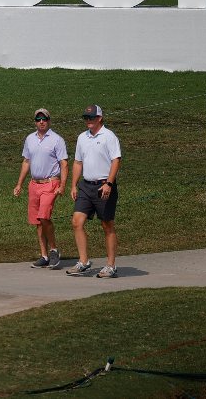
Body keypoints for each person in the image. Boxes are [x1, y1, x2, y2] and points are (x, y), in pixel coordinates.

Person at [67, 104, 122, 279]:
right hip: (86, 186)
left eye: (91, 118)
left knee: (107, 225)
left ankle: (111, 265)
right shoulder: (82, 138)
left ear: (100, 118)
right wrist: (74, 185)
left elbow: (116, 160)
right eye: (86, 118)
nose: (88, 121)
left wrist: (109, 184)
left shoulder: (109, 136)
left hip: (103, 186)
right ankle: (83, 261)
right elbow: (77, 162)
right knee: (77, 221)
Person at [13, 108, 69, 269]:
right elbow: (26, 161)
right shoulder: (30, 139)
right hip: (34, 184)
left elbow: (64, 163)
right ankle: (44, 255)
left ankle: (54, 250)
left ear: (49, 121)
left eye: (44, 119)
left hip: (51, 183)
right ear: (35, 122)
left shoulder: (57, 140)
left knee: (44, 216)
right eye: (38, 119)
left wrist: (63, 185)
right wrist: (19, 184)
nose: (41, 122)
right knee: (38, 221)